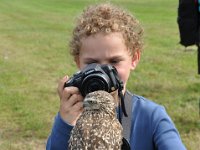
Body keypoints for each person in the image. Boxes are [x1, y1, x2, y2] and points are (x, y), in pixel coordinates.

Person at [46, 3, 186, 150]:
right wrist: (66, 124)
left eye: (114, 62)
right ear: (78, 62)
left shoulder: (150, 116)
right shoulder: (73, 115)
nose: (104, 71)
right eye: (92, 63)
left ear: (134, 59)